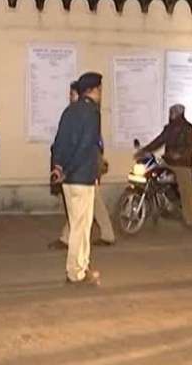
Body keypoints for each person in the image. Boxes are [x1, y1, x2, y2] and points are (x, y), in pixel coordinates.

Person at [51, 72, 104, 286]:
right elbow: (85, 146)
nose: (101, 94)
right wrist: (70, 169)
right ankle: (76, 272)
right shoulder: (92, 113)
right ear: (92, 90)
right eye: (100, 90)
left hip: (68, 179)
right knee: (81, 227)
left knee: (77, 224)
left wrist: (58, 168)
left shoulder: (69, 110)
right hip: (81, 176)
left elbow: (58, 143)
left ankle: (81, 265)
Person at [49, 81, 115, 250]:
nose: (70, 98)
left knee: (85, 207)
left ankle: (73, 241)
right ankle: (106, 234)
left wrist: (67, 169)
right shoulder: (78, 114)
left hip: (86, 168)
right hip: (82, 169)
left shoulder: (87, 114)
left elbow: (91, 144)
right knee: (87, 206)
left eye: (72, 94)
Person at [135, 104, 192, 233]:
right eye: (171, 112)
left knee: (186, 189)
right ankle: (157, 208)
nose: (171, 114)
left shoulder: (189, 129)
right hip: (168, 161)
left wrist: (179, 155)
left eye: (173, 112)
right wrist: (145, 150)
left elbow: (190, 148)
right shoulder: (169, 128)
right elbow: (159, 140)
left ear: (179, 114)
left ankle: (191, 220)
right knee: (151, 173)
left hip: (182, 164)